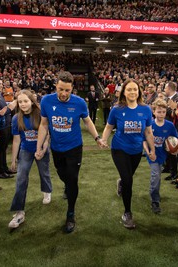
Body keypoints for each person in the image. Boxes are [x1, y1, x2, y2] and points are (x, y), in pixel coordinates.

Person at [35, 71, 105, 233]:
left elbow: (87, 121)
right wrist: (39, 147)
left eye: (67, 90)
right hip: (56, 148)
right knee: (62, 174)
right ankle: (67, 186)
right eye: (60, 89)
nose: (64, 93)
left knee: (72, 178)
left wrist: (97, 138)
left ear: (72, 88)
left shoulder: (79, 103)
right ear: (56, 86)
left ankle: (70, 213)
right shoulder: (46, 101)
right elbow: (44, 125)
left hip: (74, 148)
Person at [101, 79, 155, 229]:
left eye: (135, 89)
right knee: (129, 180)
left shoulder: (146, 109)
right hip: (119, 148)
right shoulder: (117, 109)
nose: (132, 92)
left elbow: (148, 132)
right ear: (124, 92)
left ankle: (122, 183)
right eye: (129, 89)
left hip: (136, 150)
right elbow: (108, 127)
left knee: (127, 178)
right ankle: (127, 213)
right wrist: (104, 140)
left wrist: (152, 150)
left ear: (139, 92)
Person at [8, 90, 52, 229]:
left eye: (25, 101)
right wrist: (13, 159)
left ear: (32, 101)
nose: (23, 104)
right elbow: (16, 140)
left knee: (43, 172)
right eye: (20, 102)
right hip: (26, 150)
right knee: (21, 177)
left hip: (41, 149)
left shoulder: (40, 115)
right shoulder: (16, 118)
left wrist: (43, 149)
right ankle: (19, 212)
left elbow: (47, 134)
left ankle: (47, 191)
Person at [143, 99, 178, 214]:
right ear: (154, 112)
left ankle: (122, 183)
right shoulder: (150, 125)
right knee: (156, 175)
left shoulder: (169, 125)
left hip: (163, 154)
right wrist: (148, 151)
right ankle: (155, 201)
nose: (161, 114)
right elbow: (144, 140)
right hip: (152, 154)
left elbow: (176, 138)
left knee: (156, 175)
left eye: (163, 112)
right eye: (159, 112)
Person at [163, 81, 178, 177]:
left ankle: (174, 173)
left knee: (172, 150)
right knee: (166, 148)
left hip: (173, 127)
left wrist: (166, 109)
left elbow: (174, 113)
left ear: (170, 89)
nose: (164, 90)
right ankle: (168, 168)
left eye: (165, 88)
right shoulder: (167, 99)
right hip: (166, 126)